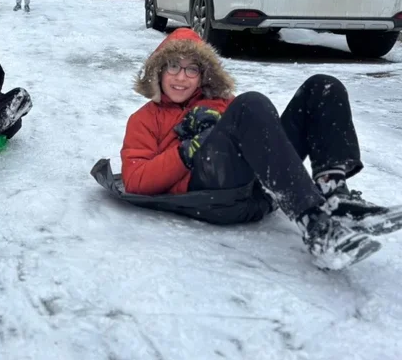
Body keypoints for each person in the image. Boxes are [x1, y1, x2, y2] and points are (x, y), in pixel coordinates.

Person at [121, 27, 400, 270]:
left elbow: (263, 136)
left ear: (203, 75)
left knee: (323, 86)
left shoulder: (221, 103)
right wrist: (188, 148)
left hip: (254, 184)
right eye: (173, 66)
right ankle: (316, 225)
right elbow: (135, 179)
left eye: (191, 68)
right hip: (210, 191)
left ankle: (334, 194)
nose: (181, 77)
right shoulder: (144, 119)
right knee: (251, 103)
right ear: (159, 70)